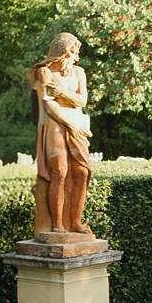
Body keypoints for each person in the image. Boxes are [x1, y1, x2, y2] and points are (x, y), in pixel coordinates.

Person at [27, 31, 93, 237]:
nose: (75, 57)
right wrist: (68, 122)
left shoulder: (79, 73)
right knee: (60, 172)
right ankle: (56, 223)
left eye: (76, 53)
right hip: (55, 124)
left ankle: (75, 221)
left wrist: (63, 94)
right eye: (72, 52)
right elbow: (48, 105)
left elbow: (82, 101)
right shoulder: (46, 73)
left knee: (82, 173)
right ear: (62, 52)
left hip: (76, 124)